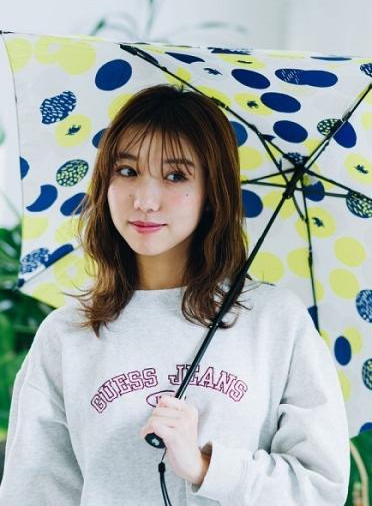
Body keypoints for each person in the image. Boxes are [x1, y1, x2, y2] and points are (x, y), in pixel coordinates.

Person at [0, 84, 351, 505]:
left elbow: (320, 489)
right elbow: (33, 493)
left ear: (211, 193)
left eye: (175, 176)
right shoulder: (66, 335)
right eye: (127, 171)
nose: (145, 201)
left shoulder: (276, 322)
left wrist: (205, 467)